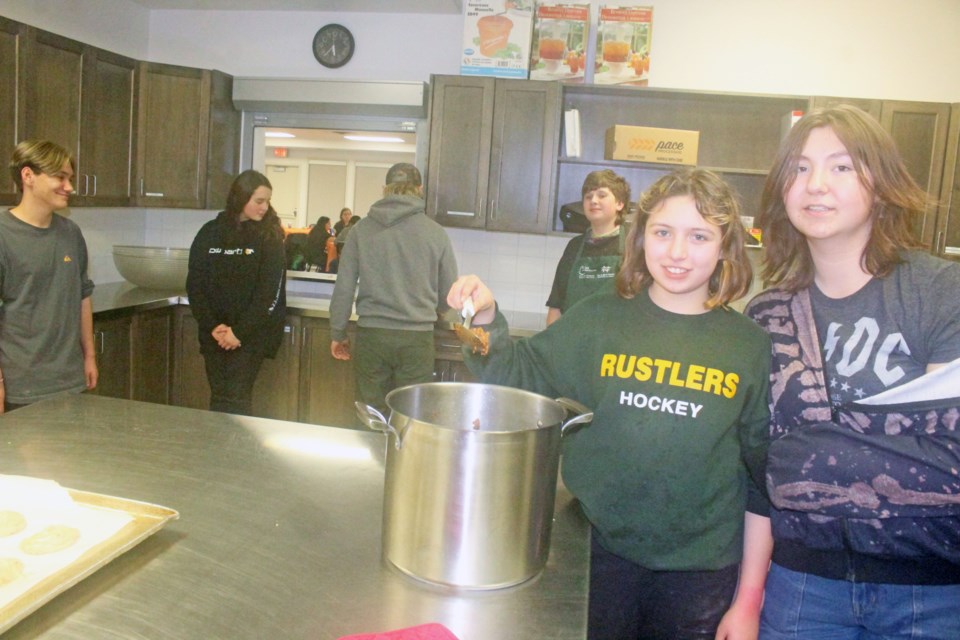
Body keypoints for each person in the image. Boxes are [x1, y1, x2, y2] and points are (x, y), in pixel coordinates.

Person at [447, 168, 772, 640]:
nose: (678, 253)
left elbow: (761, 480)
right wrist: (487, 318)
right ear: (640, 239)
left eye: (699, 236)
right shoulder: (600, 317)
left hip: (700, 574)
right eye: (663, 233)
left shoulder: (748, 345)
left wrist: (748, 602)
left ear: (725, 247)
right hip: (598, 554)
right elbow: (518, 375)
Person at [744, 104, 960, 638]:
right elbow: (756, 473)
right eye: (799, 168)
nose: (816, 184)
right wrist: (748, 599)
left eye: (841, 166)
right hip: (800, 587)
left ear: (880, 182)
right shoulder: (767, 314)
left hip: (930, 594)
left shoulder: (940, 292)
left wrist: (802, 454)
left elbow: (951, 463)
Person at [329, 162, 458, 415]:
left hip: (372, 337)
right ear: (420, 189)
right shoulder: (436, 233)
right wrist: (438, 311)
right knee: (411, 417)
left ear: (384, 189)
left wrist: (338, 332)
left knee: (370, 415)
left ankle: (372, 454)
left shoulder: (360, 230)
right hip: (416, 339)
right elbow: (448, 295)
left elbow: (343, 286)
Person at [0, 140, 97, 412]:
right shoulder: (3, 235)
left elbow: (83, 296)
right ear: (28, 176)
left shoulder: (71, 233)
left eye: (71, 179)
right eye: (60, 177)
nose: (70, 187)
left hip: (70, 380)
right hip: (22, 385)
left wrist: (89, 356)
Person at [186, 170, 287, 416]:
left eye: (267, 201)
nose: (265, 208)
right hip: (215, 335)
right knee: (219, 398)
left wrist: (238, 333)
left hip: (249, 338)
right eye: (259, 201)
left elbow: (269, 294)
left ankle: (234, 453)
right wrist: (213, 327)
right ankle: (216, 452)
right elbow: (195, 285)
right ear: (240, 198)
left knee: (237, 400)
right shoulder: (210, 232)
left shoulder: (269, 238)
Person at [546, 169, 631, 325]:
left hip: (617, 346)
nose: (593, 201)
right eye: (588, 196)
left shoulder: (633, 245)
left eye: (602, 195)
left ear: (620, 203)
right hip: (574, 343)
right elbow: (556, 307)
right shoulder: (574, 247)